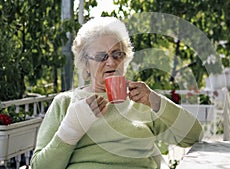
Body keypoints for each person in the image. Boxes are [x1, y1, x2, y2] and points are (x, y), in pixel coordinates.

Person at [30, 16, 203, 169]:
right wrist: (71, 128)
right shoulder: (66, 103)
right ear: (85, 64)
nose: (111, 62)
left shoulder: (141, 100)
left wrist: (156, 101)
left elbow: (193, 136)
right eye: (101, 57)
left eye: (117, 54)